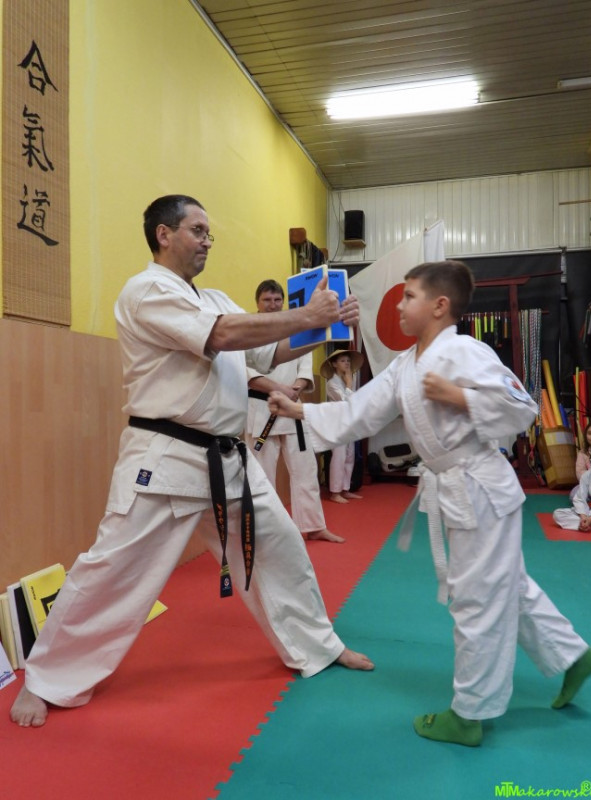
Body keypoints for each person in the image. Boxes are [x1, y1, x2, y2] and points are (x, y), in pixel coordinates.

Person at [10, 194, 374, 728]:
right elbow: (221, 335)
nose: (207, 241)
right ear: (164, 234)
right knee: (112, 571)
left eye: (209, 233)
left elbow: (265, 352)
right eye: (197, 230)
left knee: (280, 548)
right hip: (165, 458)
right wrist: (304, 315)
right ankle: (45, 679)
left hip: (228, 459)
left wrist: (326, 326)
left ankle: (317, 645)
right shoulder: (146, 291)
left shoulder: (214, 297)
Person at [268, 259, 591, 747]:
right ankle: (574, 656)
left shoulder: (465, 351)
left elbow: (522, 407)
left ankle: (469, 713)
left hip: (480, 490)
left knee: (476, 599)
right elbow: (361, 412)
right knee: (506, 583)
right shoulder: (406, 364)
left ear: (440, 305)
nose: (400, 306)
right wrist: (300, 410)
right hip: (459, 489)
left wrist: (459, 397)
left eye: (409, 297)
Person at [246, 279, 344, 543]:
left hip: (292, 410)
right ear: (257, 302)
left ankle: (314, 526)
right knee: (261, 475)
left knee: (306, 471)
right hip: (262, 408)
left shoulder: (294, 328)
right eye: (267, 300)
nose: (273, 304)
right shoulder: (249, 330)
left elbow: (304, 366)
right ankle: (264, 532)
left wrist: (295, 388)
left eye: (277, 300)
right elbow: (247, 372)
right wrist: (278, 389)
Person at [320, 349, 364, 504]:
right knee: (339, 457)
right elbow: (346, 402)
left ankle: (345, 489)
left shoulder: (347, 380)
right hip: (336, 424)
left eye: (348, 361)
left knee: (349, 456)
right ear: (334, 364)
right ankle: (335, 492)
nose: (347, 363)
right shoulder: (332, 383)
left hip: (348, 422)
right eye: (342, 361)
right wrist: (350, 384)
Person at [553, 442, 591, 531]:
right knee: (558, 514)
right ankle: (590, 525)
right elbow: (580, 498)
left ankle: (590, 523)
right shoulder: (587, 475)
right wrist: (584, 517)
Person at [569, 418, 591, 501]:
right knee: (574, 494)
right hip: (588, 484)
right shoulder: (583, 453)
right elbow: (579, 471)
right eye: (590, 433)